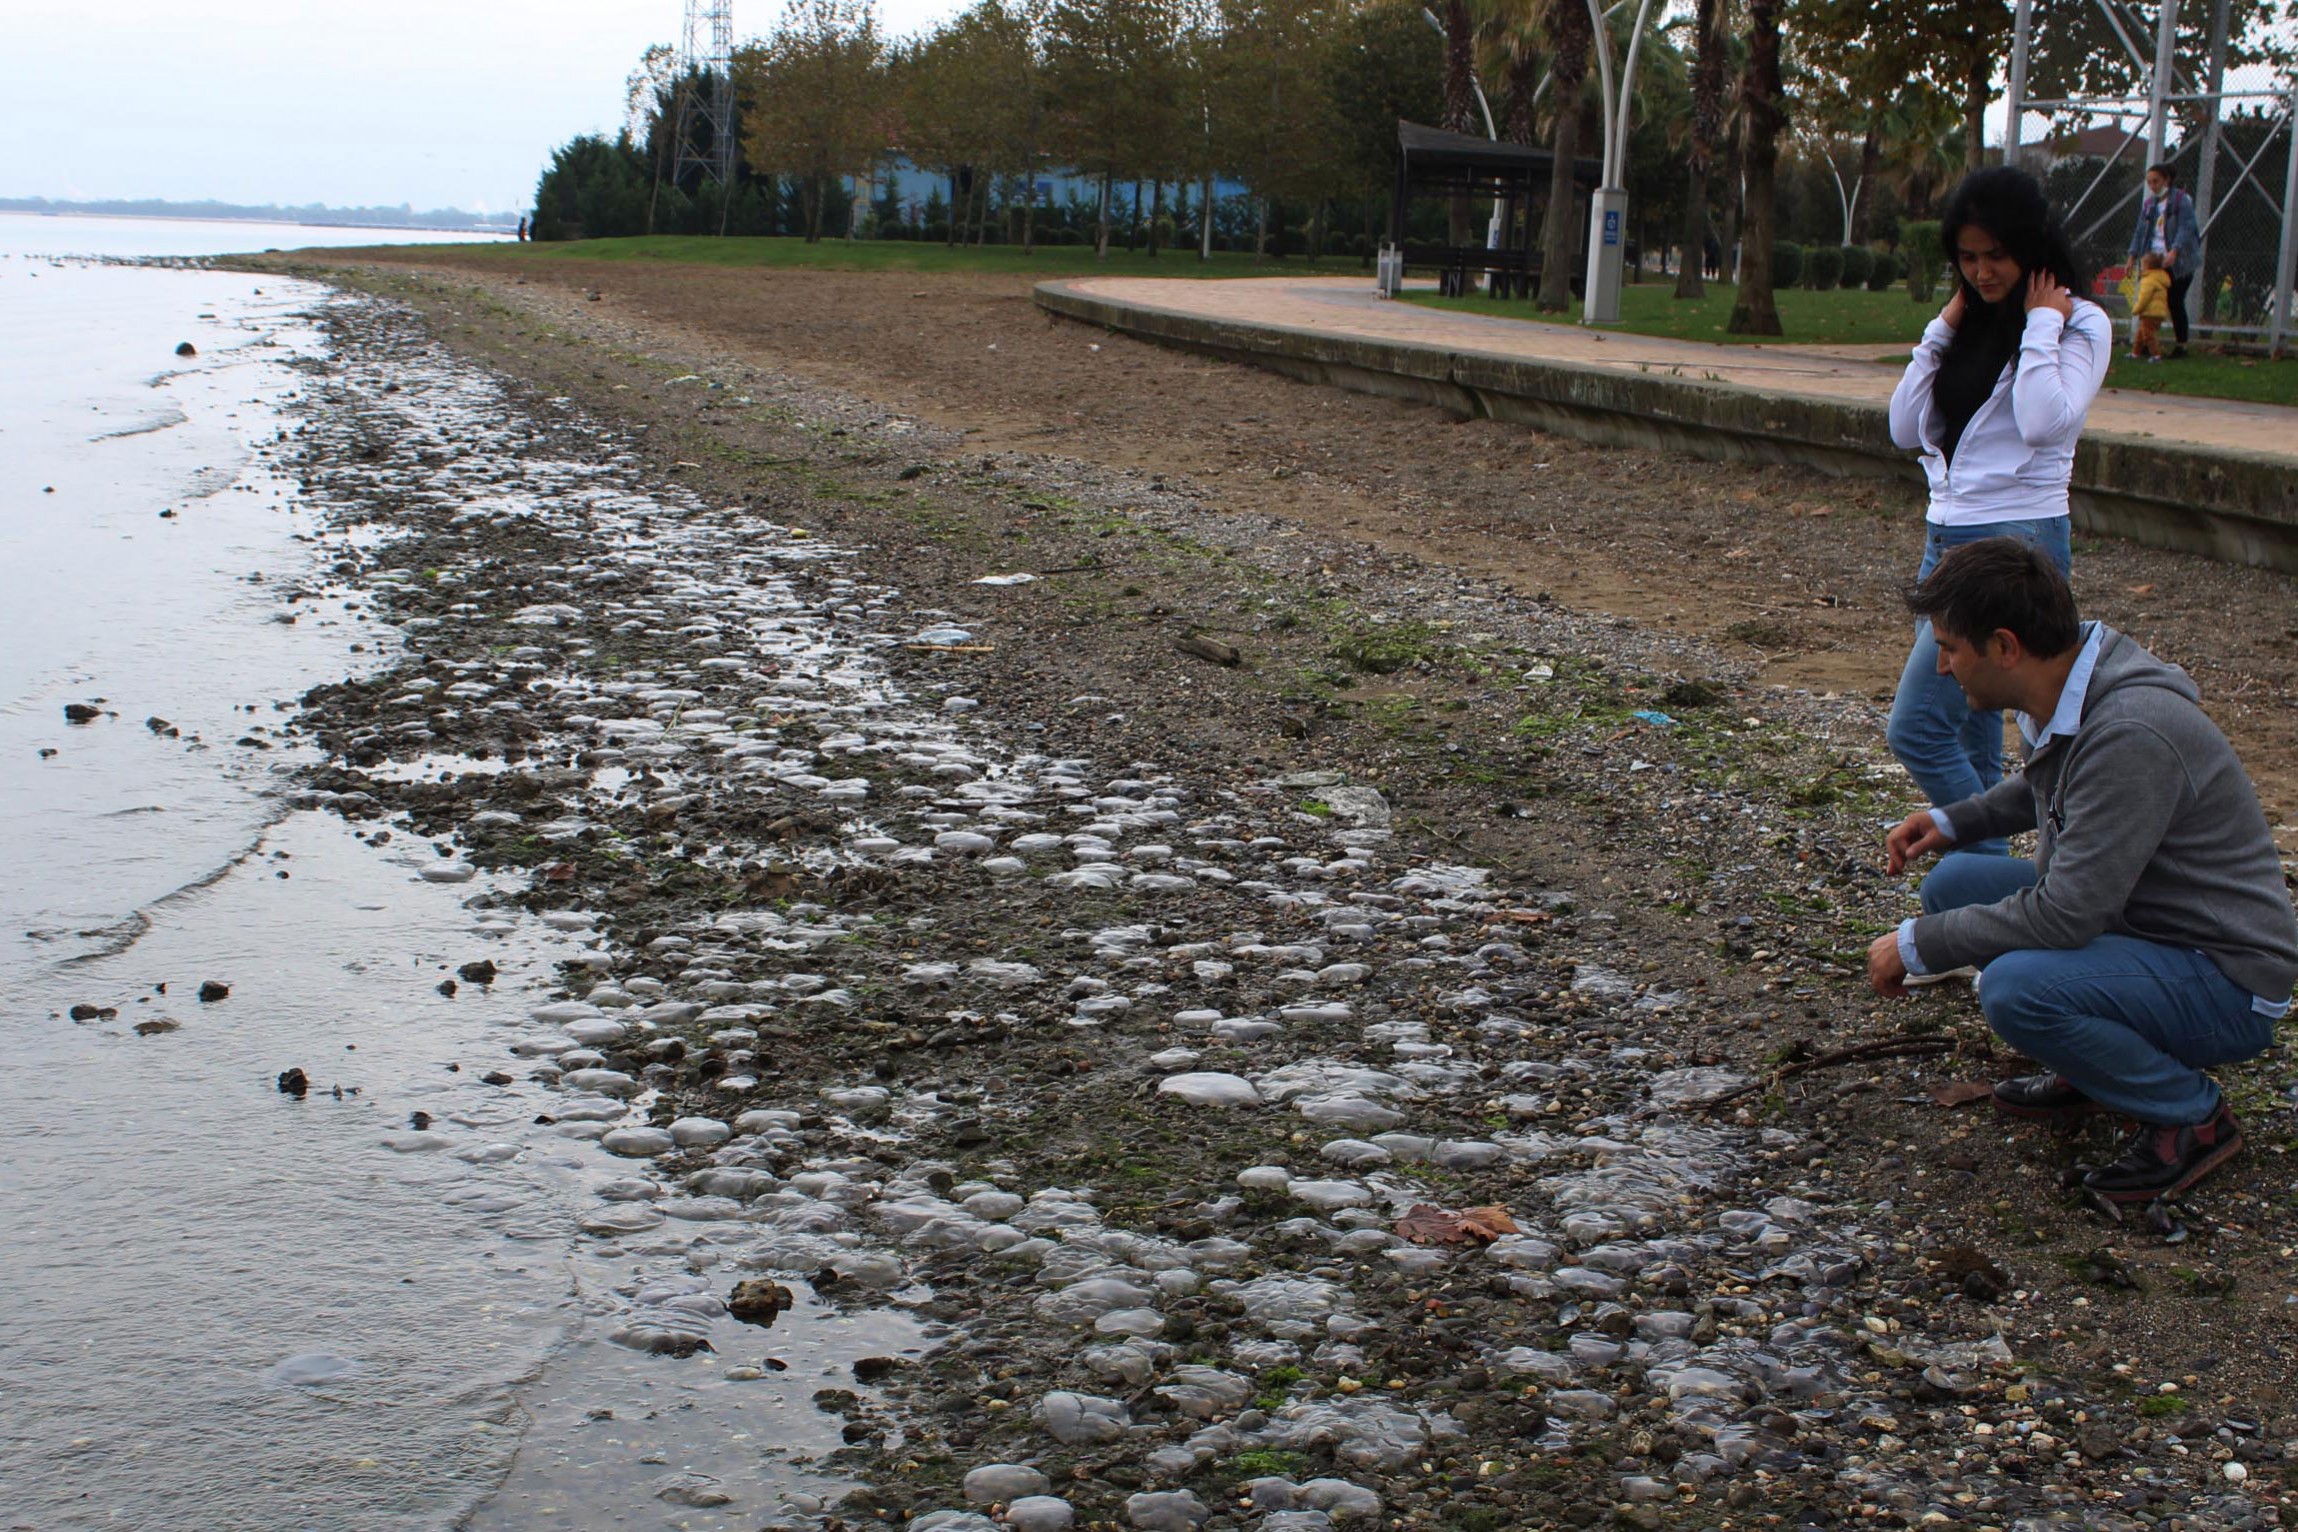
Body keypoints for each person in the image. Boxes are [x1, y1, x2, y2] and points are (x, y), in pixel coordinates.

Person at [1868, 538, 2297, 1203]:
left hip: (2225, 976)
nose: (1945, 667)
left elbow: (2067, 913)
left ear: (2005, 647)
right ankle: (2097, 1065)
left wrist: (1918, 947)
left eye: (1952, 648)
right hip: (2143, 920)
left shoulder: (2131, 732)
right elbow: (2053, 786)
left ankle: (2192, 1117)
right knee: (1952, 885)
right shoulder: (2071, 678)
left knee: (2014, 989)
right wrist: (1954, 822)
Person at [1885, 167, 2112, 853]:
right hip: (1947, 534)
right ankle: (1980, 898)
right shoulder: (1967, 323)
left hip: (2017, 537)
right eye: (1968, 258)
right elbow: (1902, 427)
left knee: (1916, 727)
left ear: (2031, 247)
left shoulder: (2079, 323)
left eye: (1996, 256)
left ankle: (1984, 869)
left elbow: (2046, 420)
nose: (1982, 273)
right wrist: (1943, 325)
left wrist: (2043, 321)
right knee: (1971, 731)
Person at [2126, 163, 2200, 356]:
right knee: (2150, 302)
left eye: (2156, 181)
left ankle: (2181, 344)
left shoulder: (2181, 201)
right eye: (2149, 182)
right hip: (2155, 262)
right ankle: (2145, 343)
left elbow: (2187, 227)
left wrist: (2175, 251)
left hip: (2178, 263)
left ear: (2167, 180)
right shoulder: (2150, 205)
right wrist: (2132, 256)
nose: (2153, 186)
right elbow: (2140, 231)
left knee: (2175, 301)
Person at [2129, 251, 2172, 361]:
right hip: (2159, 312)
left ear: (2148, 266)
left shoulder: (2148, 280)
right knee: (2140, 334)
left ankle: (2156, 355)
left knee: (2148, 335)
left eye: (2143, 264)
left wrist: (2136, 309)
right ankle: (2135, 353)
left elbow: (2144, 298)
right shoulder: (2161, 278)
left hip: (2150, 313)